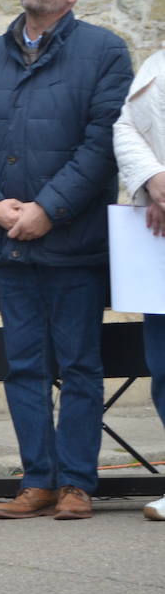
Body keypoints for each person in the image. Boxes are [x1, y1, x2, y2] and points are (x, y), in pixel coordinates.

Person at [0, 0, 133, 521]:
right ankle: (37, 479)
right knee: (24, 364)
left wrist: (48, 210)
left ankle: (78, 482)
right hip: (9, 239)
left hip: (72, 243)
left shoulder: (103, 52)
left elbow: (103, 144)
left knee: (79, 364)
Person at [114, 45, 165, 521]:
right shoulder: (157, 63)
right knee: (164, 366)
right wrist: (152, 180)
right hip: (160, 237)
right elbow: (126, 127)